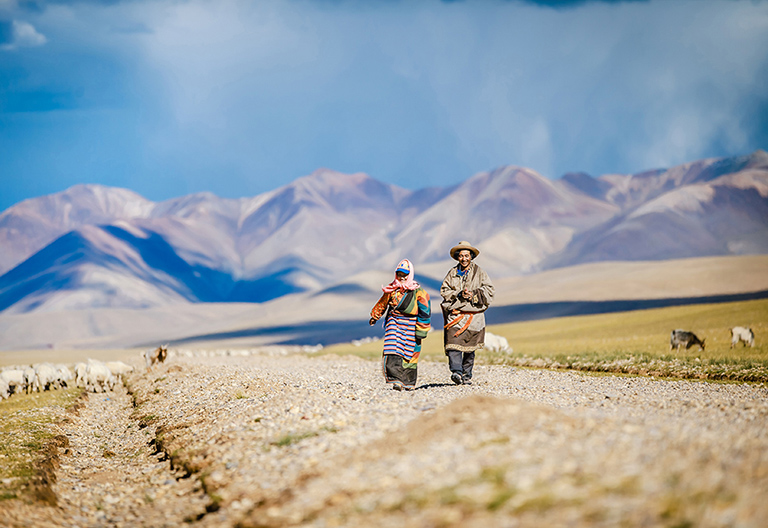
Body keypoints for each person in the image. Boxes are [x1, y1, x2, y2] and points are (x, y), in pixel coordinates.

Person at [369, 259, 431, 391]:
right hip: (394, 322)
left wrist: (422, 329)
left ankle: (408, 382)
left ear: (410, 275)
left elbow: (425, 310)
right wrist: (375, 316)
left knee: (410, 354)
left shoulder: (419, 291)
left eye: (405, 274)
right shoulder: (391, 289)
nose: (402, 277)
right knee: (392, 349)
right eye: (399, 274)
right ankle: (396, 380)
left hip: (411, 324)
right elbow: (383, 303)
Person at [440, 241, 494, 385]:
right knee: (453, 344)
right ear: (458, 257)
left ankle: (466, 375)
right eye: (461, 256)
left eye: (467, 255)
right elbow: (444, 290)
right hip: (456, 316)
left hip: (474, 316)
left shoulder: (480, 272)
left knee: (470, 348)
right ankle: (456, 372)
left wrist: (473, 295)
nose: (464, 258)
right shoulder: (452, 273)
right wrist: (459, 294)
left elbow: (489, 290)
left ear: (471, 256)